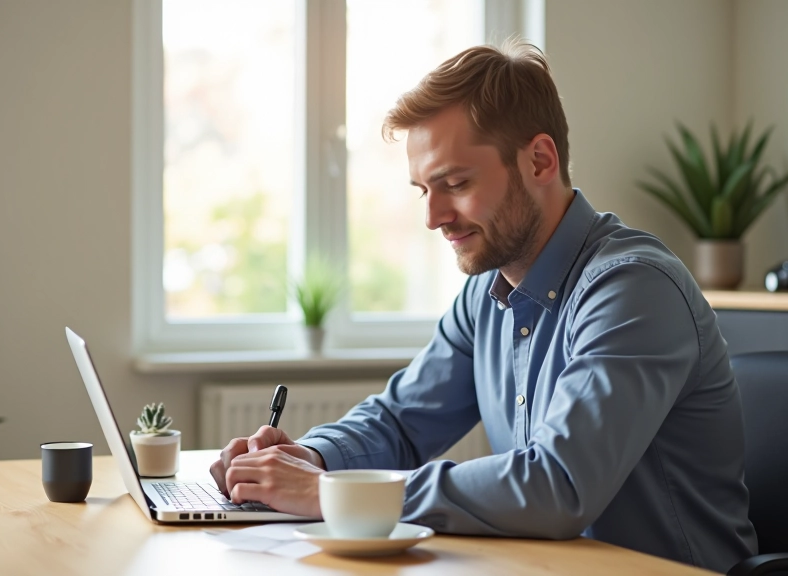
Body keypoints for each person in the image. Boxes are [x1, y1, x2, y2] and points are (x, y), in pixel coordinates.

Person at [210, 42, 758, 573]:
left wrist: (335, 495)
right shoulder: (486, 291)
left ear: (540, 160)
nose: (433, 217)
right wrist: (312, 460)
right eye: (423, 189)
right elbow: (402, 423)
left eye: (455, 183)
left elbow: (557, 487)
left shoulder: (632, 288)